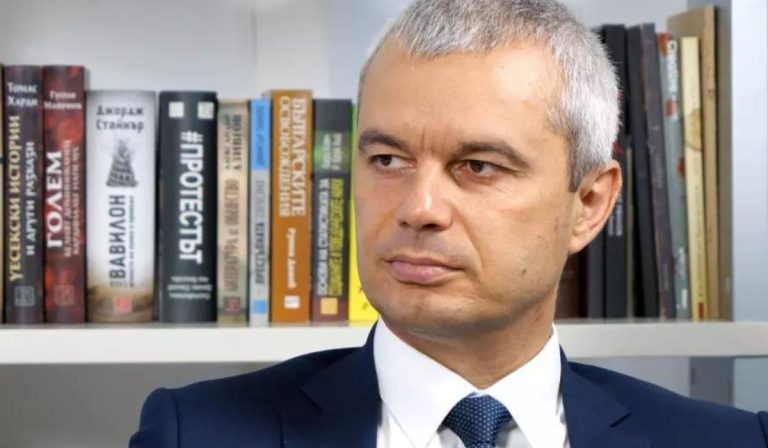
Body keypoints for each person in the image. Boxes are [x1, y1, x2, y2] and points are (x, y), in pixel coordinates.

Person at [130, 0, 768, 446]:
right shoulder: (194, 433)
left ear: (590, 204)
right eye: (388, 160)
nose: (419, 207)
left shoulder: (731, 441)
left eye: (479, 166)